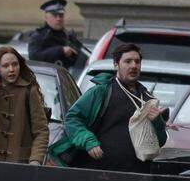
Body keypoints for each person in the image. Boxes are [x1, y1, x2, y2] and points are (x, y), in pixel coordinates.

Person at [49, 43, 166, 172]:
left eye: (137, 62)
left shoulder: (147, 98)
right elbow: (72, 119)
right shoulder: (101, 91)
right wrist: (89, 142)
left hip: (136, 175)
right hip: (100, 172)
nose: (133, 65)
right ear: (116, 64)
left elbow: (160, 142)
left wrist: (157, 122)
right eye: (128, 61)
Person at [27, 0, 82, 69]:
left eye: (61, 16)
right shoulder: (38, 36)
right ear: (46, 18)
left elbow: (81, 55)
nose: (58, 19)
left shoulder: (68, 35)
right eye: (55, 16)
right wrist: (60, 50)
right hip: (47, 77)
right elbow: (34, 57)